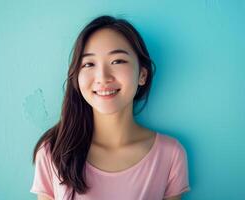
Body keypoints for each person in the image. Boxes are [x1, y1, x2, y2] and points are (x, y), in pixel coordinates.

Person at [30, 15, 190, 200]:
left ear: (142, 75)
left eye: (118, 61)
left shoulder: (170, 155)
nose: (103, 77)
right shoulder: (53, 151)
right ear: (76, 78)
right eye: (89, 64)